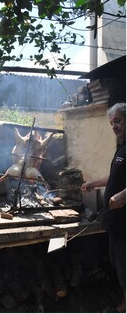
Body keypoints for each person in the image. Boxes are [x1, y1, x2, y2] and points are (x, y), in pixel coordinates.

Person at [81, 103, 126, 313]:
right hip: (115, 220)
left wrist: (124, 195)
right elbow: (114, 177)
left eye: (118, 121)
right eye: (111, 123)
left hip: (124, 220)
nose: (114, 126)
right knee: (118, 264)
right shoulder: (121, 148)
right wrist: (94, 183)